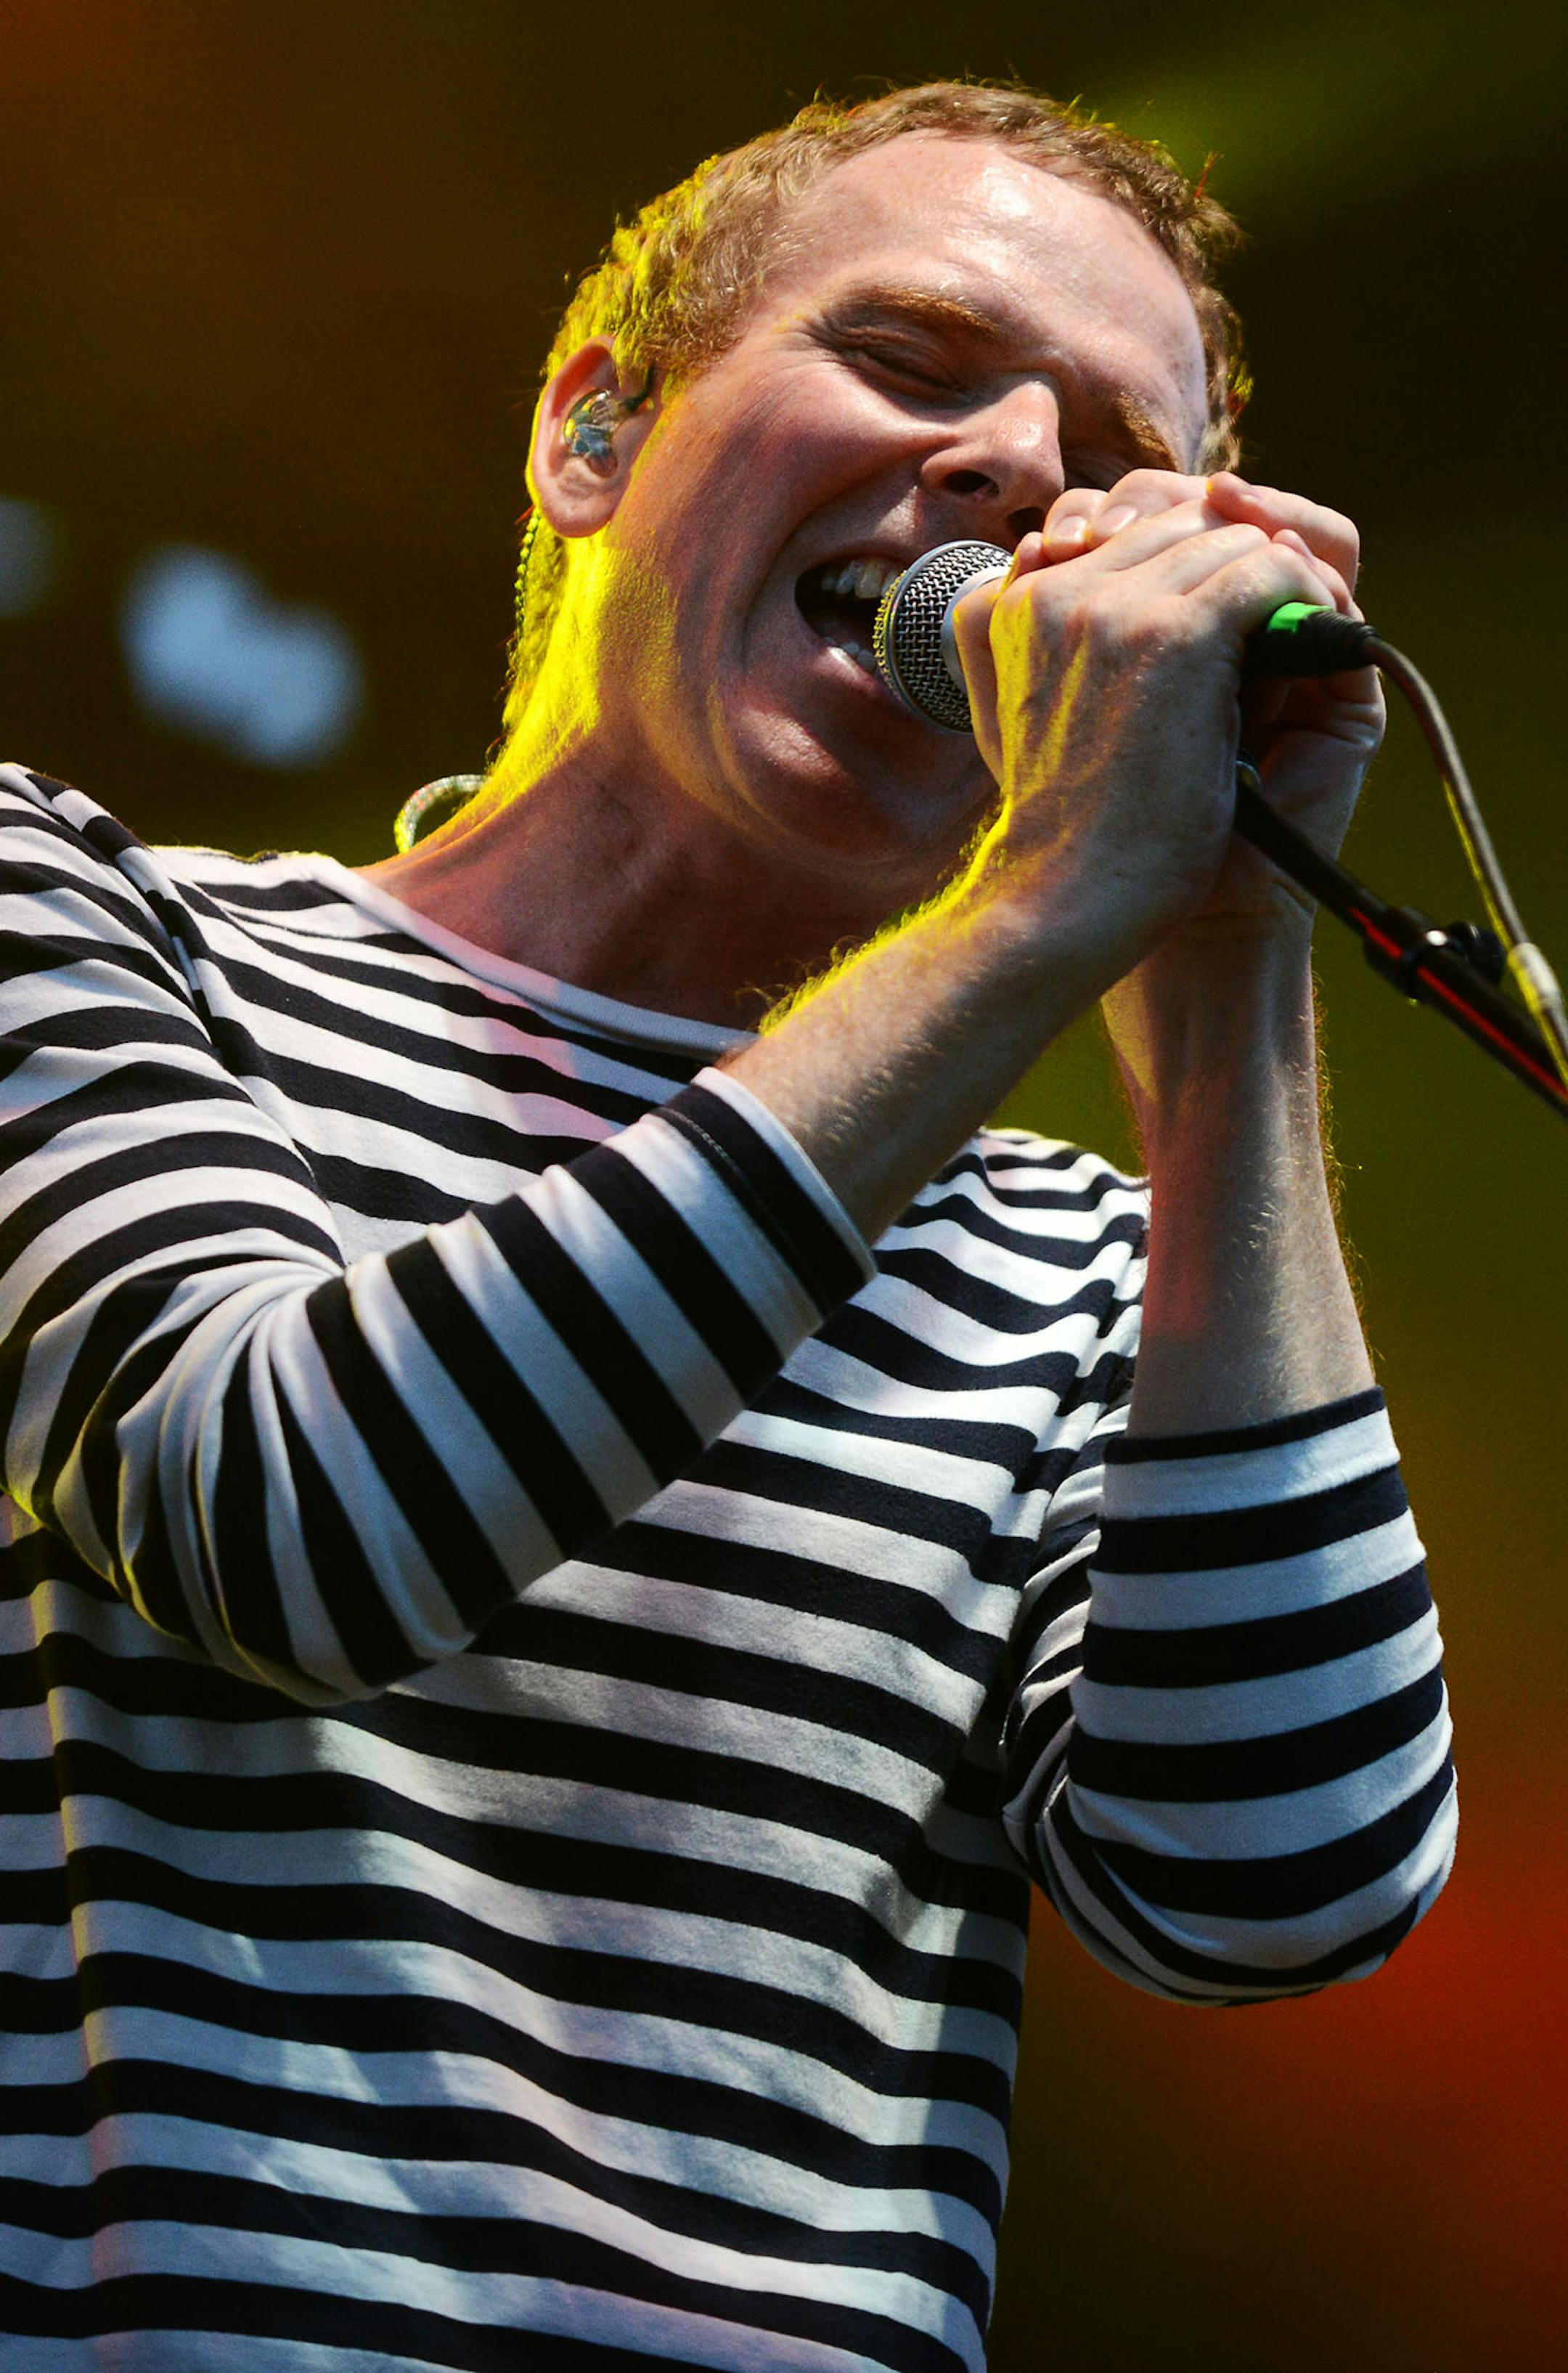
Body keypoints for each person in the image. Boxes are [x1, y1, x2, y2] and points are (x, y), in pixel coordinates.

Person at [0, 80, 1454, 2373]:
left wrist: (1224, 956)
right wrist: (1047, 906)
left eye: (1107, 468)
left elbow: (1271, 1889)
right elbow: (286, 1517)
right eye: (909, 359)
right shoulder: (84, 925)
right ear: (593, 434)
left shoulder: (1085, 1265)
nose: (1015, 478)